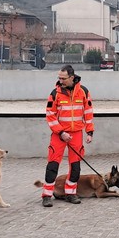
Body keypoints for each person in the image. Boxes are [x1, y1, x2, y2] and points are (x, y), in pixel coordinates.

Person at [41, 65, 94, 207]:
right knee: (53, 164)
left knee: (75, 166)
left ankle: (71, 193)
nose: (60, 80)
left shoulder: (83, 92)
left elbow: (88, 113)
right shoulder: (55, 93)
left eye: (63, 78)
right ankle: (47, 195)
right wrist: (61, 132)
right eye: (59, 78)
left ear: (72, 77)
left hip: (76, 133)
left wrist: (89, 132)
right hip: (59, 134)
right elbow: (50, 115)